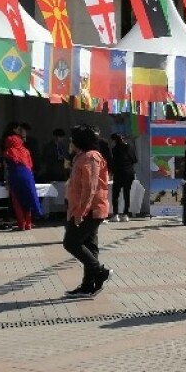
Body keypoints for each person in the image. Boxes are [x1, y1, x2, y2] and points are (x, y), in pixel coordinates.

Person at [62, 125, 111, 297]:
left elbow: (89, 188)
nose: (70, 142)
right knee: (90, 246)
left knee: (70, 242)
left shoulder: (91, 157)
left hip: (90, 210)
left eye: (72, 139)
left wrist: (80, 213)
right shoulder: (80, 156)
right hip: (81, 209)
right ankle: (89, 285)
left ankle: (100, 271)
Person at [2, 122, 42, 231]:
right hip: (28, 176)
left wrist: (7, 181)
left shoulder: (7, 152)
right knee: (28, 200)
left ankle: (21, 224)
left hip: (14, 177)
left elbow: (6, 168)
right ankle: (28, 223)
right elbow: (31, 165)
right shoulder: (26, 151)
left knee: (17, 202)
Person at [108, 133, 137, 223]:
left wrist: (111, 172)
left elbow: (113, 163)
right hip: (128, 173)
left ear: (114, 140)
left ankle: (116, 214)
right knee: (126, 194)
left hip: (118, 173)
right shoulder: (130, 147)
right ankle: (125, 214)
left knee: (115, 195)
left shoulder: (114, 149)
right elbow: (134, 160)